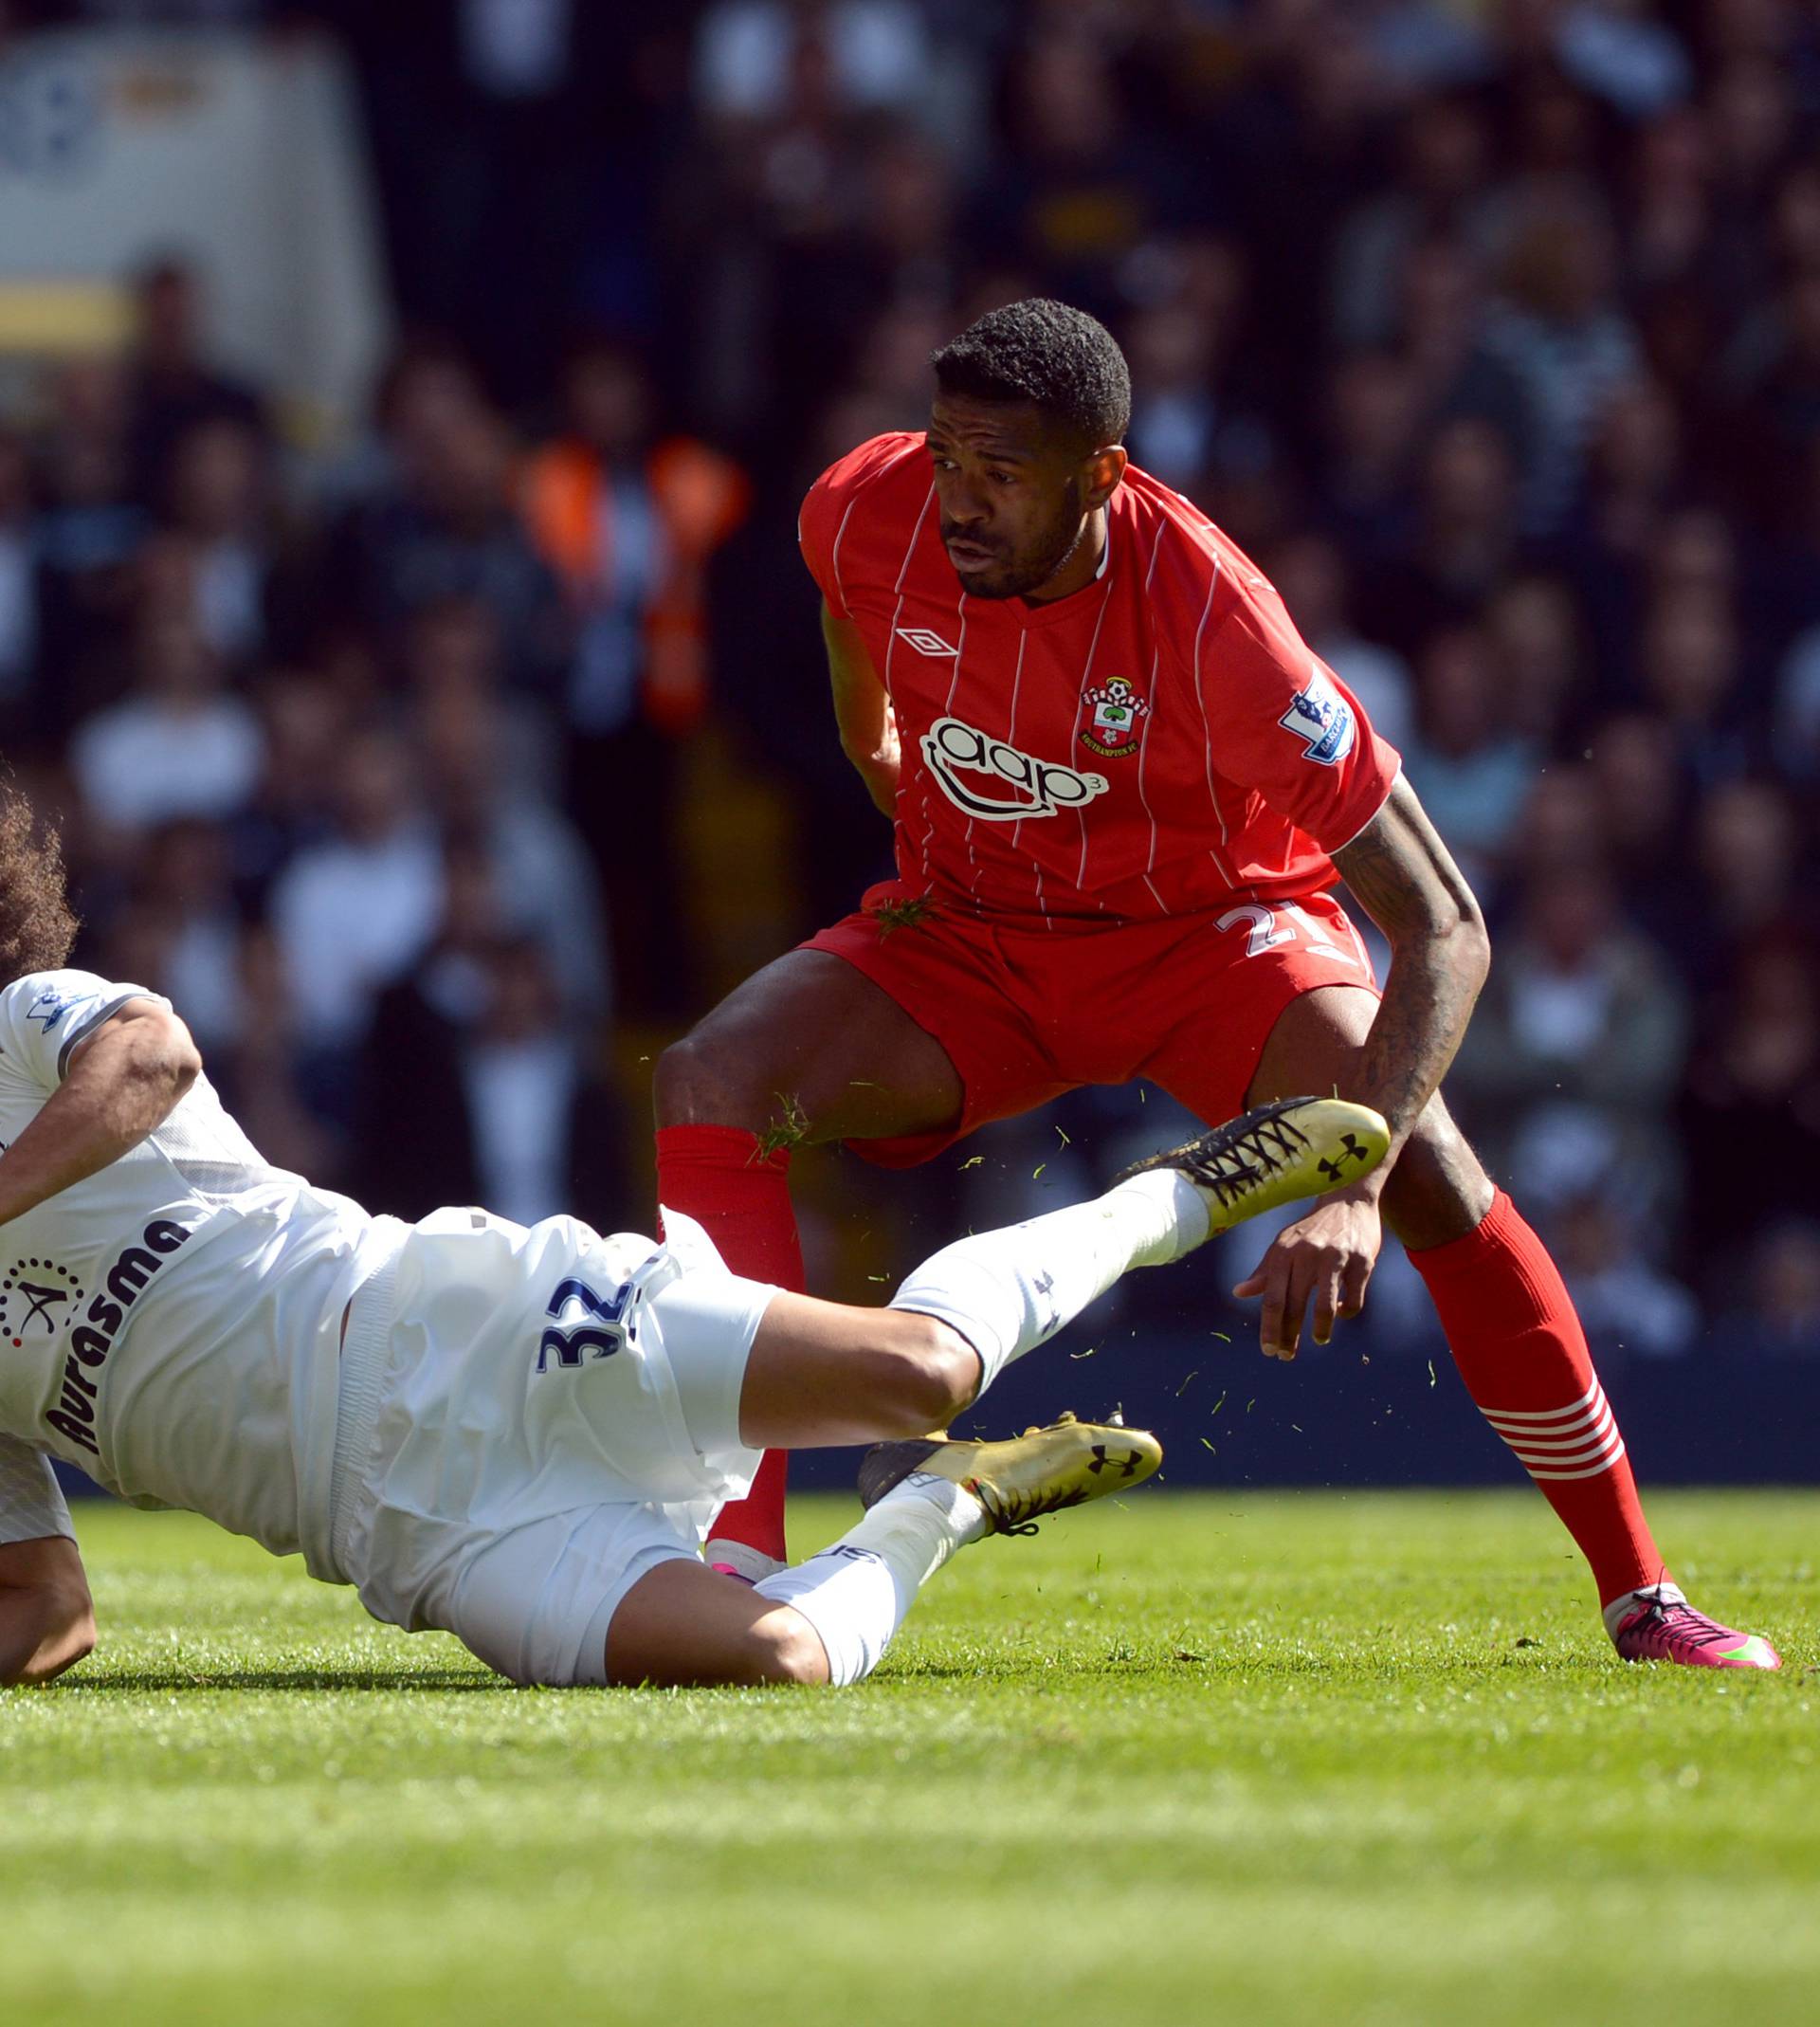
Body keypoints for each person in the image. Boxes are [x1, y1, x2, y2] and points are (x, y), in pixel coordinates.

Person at [654, 297, 1779, 1672]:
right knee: (710, 1084)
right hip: (975, 937)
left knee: (1419, 1153)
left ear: (1105, 478)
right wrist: (888, 760)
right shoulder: (864, 507)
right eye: (950, 456)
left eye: (1002, 473)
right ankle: (739, 1554)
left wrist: (1352, 1192)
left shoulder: (1220, 623)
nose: (958, 498)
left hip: (1208, 940)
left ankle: (1642, 1596)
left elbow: (1448, 923)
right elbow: (852, 623)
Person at [0, 787, 1388, 1691]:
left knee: (914, 1374)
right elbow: (50, 1613)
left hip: (472, 1322)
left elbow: (155, 1055)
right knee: (785, 1657)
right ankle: (952, 1503)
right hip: (417, 1540)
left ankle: (1177, 1194)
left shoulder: (29, 1022)